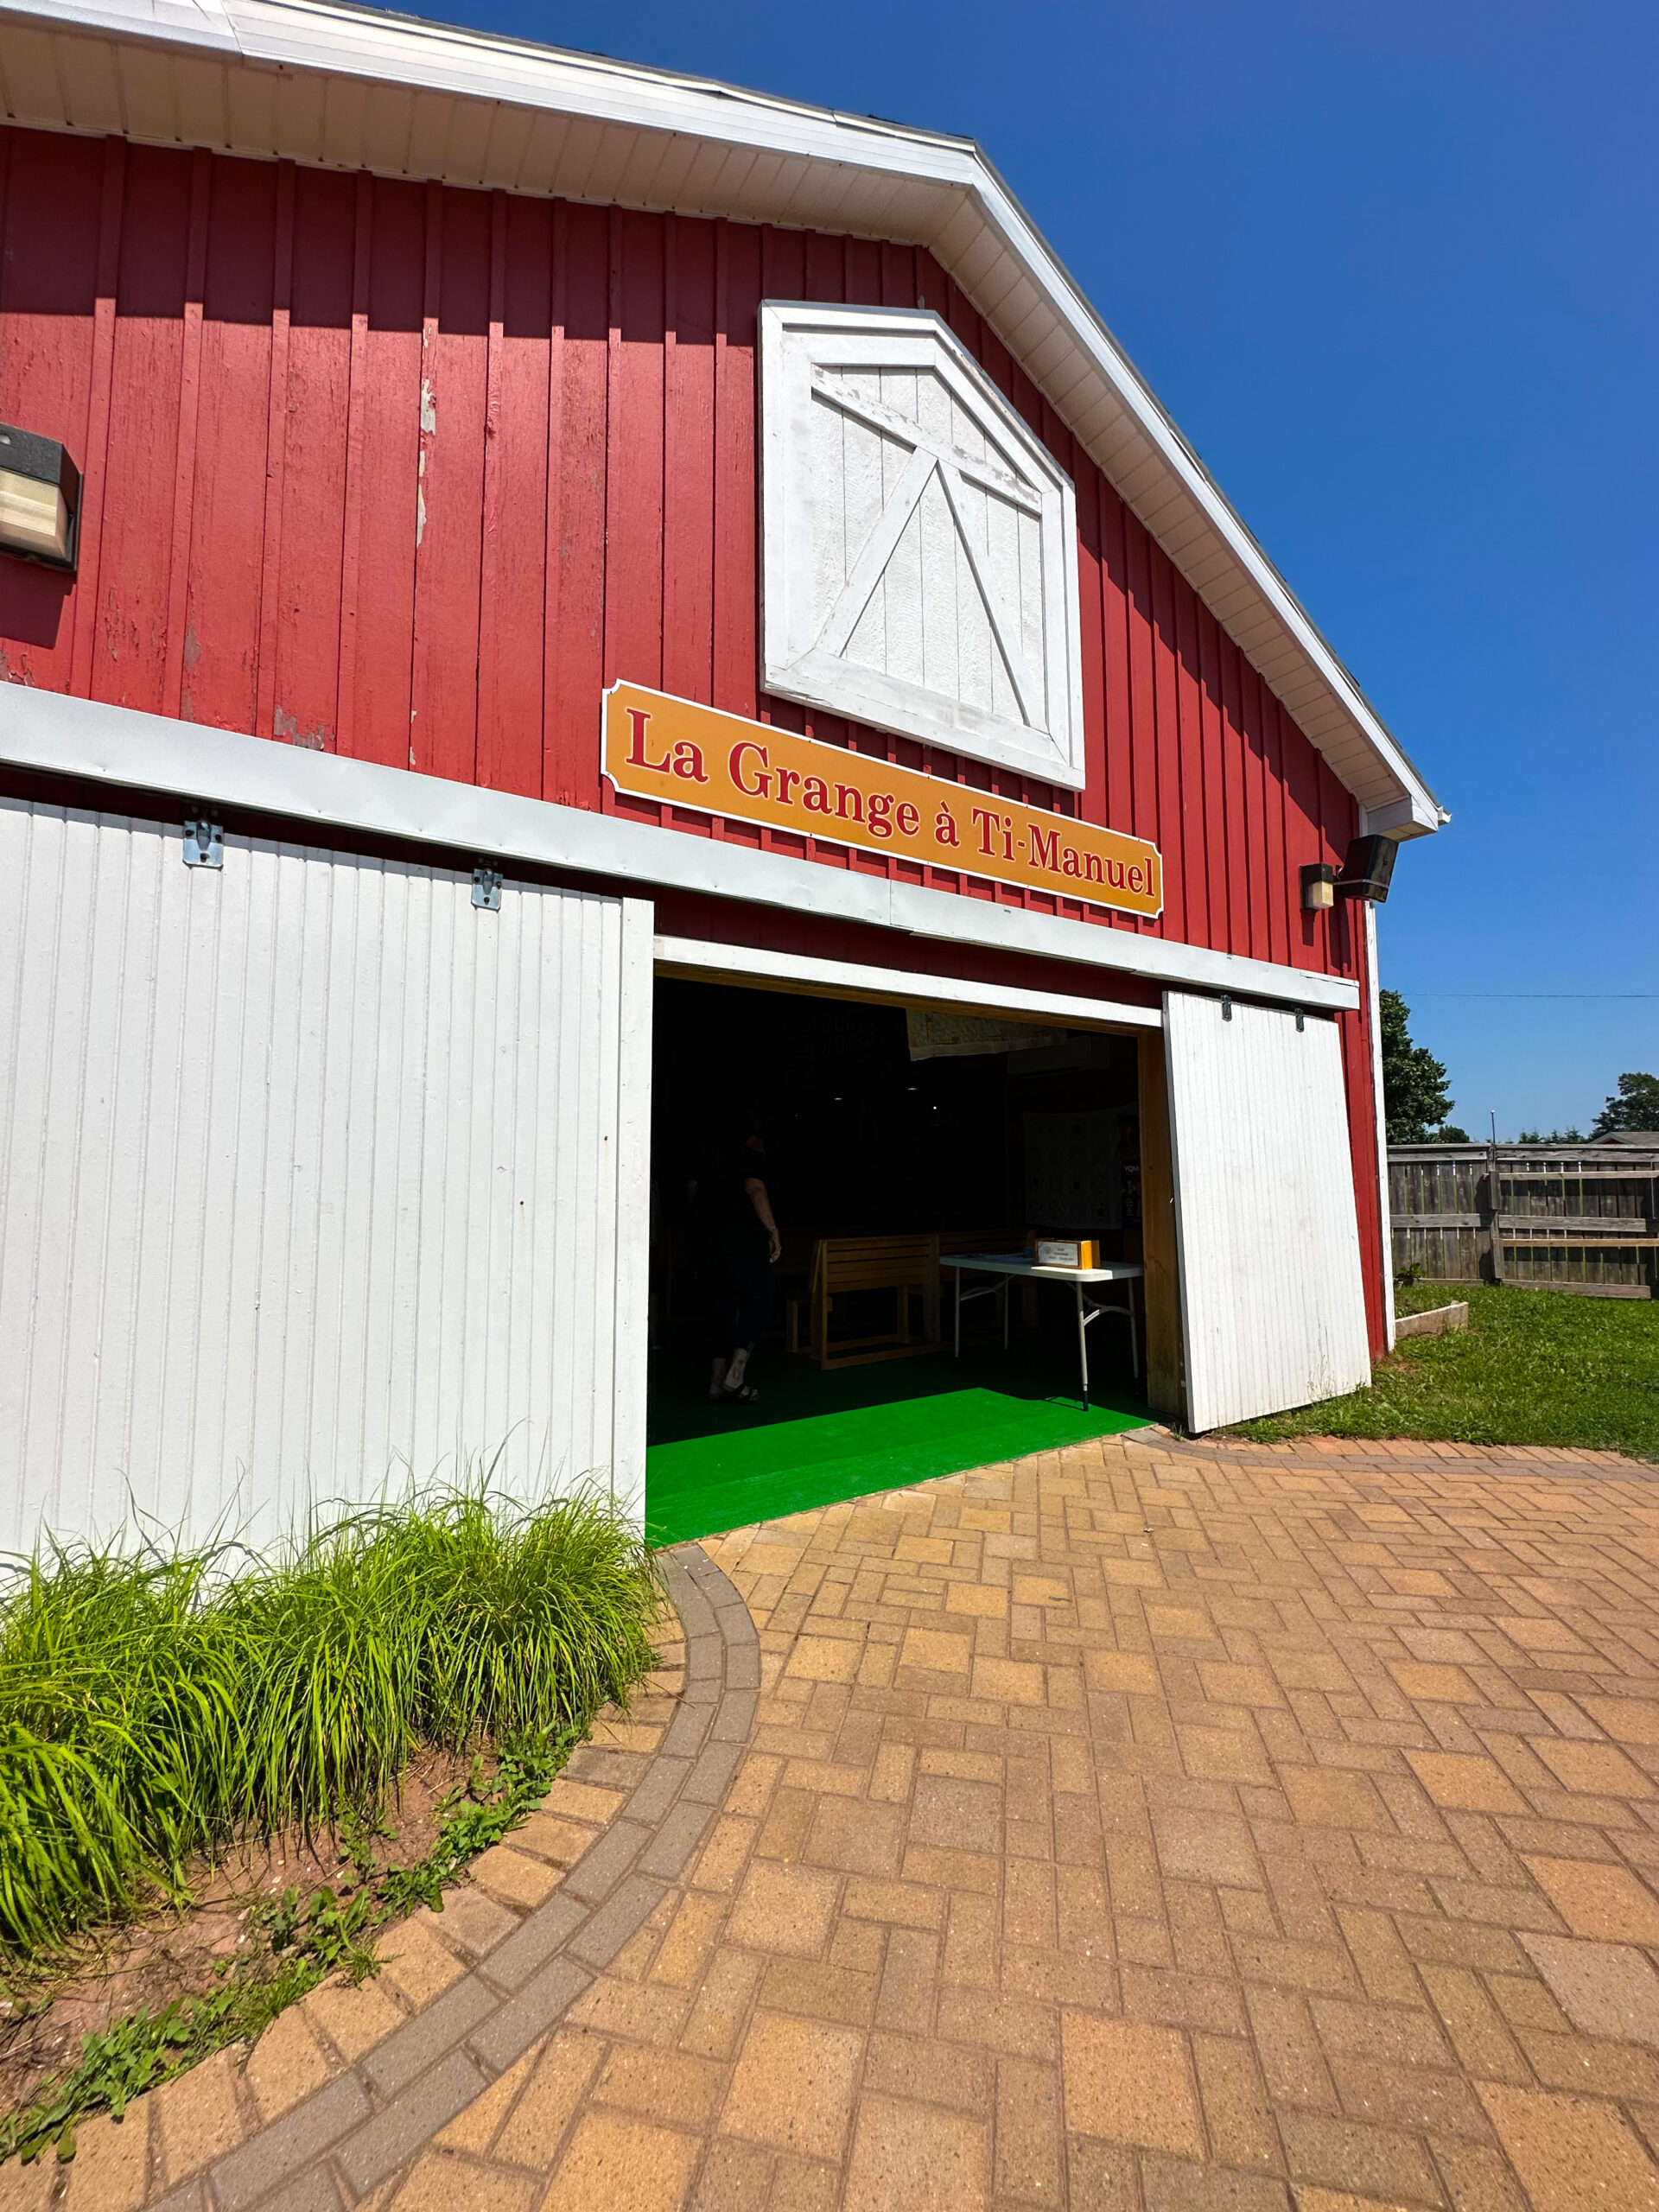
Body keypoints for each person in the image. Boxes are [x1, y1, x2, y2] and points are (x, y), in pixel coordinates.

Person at [692, 1119, 781, 1404]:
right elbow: (756, 1191)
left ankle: (716, 1382)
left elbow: (691, 1195)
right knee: (761, 1297)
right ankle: (736, 1373)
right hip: (744, 1245)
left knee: (720, 1307)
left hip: (709, 1244)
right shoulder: (750, 1159)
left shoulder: (708, 1160)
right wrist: (773, 1231)